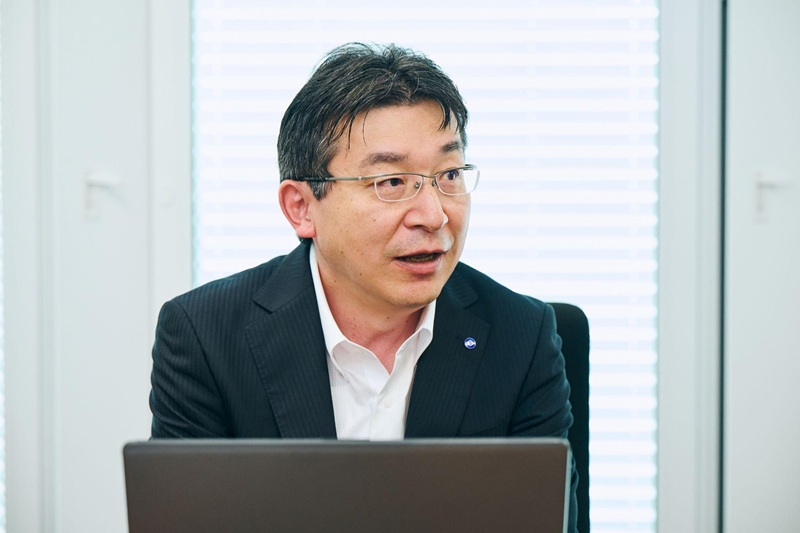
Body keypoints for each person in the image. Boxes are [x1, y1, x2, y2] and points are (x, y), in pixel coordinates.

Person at [149, 42, 577, 531]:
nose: (434, 215)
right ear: (301, 208)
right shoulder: (205, 337)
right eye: (391, 182)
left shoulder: (521, 336)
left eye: (449, 174)